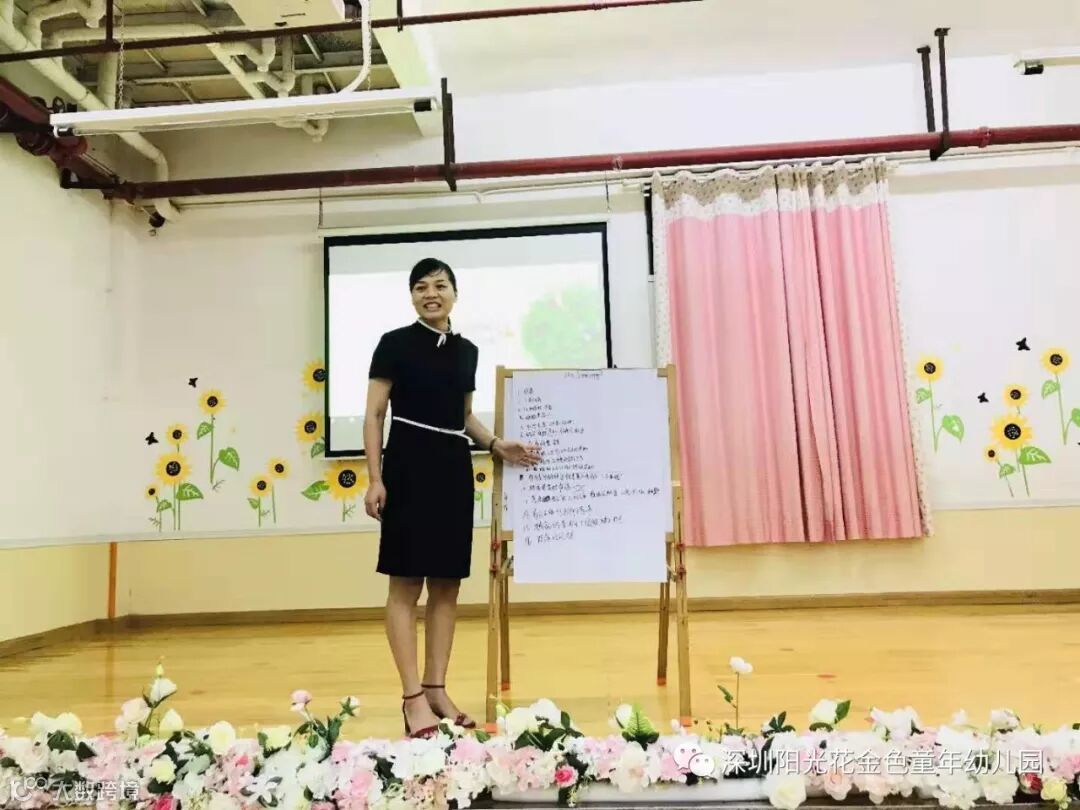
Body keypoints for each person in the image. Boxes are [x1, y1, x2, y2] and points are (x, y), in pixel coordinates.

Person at [363, 257, 542, 738]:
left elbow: (463, 416)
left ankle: (436, 689)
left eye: (439, 285)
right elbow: (375, 414)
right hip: (406, 466)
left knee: (447, 586)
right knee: (405, 585)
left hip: (452, 469)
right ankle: (412, 699)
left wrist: (496, 443)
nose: (430, 293)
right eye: (420, 287)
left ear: (454, 294)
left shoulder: (467, 351)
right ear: (412, 297)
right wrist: (375, 478)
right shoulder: (393, 343)